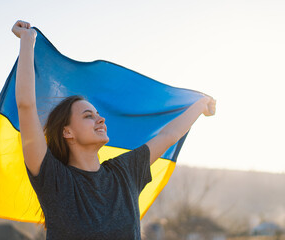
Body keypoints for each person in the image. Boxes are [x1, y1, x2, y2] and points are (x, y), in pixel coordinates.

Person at [12, 20, 216, 240]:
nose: (100, 119)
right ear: (67, 132)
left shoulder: (124, 172)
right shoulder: (54, 180)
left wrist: (201, 105)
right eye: (88, 116)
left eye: (98, 114)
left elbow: (169, 135)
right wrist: (27, 41)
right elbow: (26, 105)